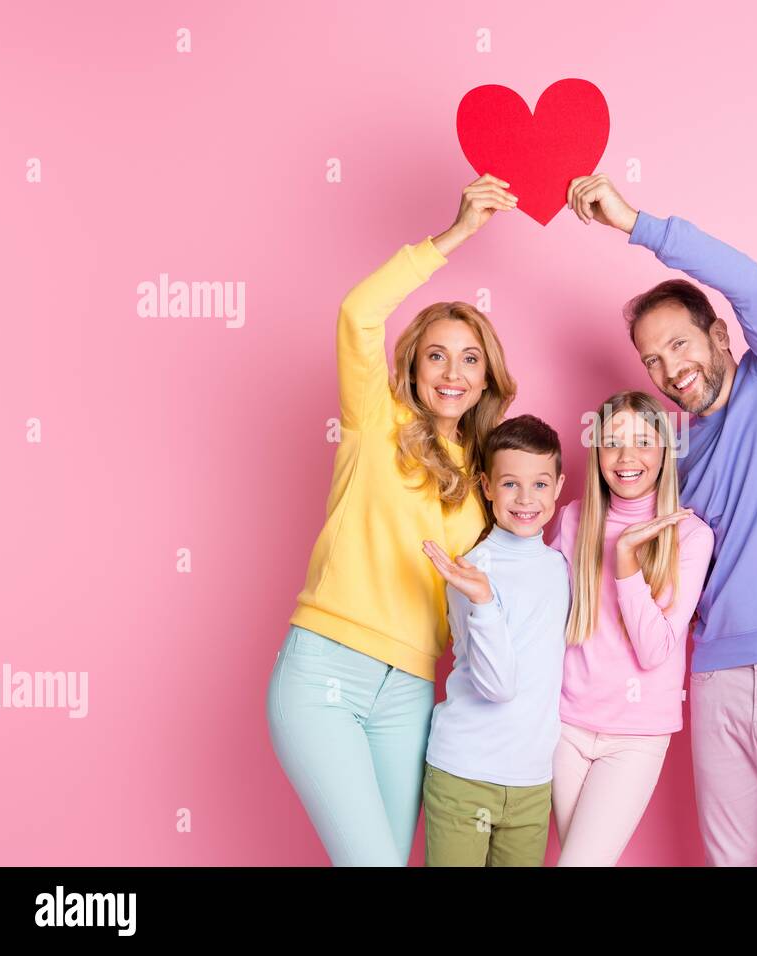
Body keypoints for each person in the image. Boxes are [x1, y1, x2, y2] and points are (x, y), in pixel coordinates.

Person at [565, 173, 757, 866]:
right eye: (652, 360)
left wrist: (636, 224)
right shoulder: (674, 457)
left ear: (720, 336)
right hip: (717, 679)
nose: (669, 368)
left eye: (679, 344)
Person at [265, 174, 519, 866]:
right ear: (412, 363)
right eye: (436, 354)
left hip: (409, 691)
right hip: (324, 671)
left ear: (487, 378)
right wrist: (457, 235)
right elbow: (358, 312)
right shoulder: (375, 419)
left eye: (470, 359)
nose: (452, 372)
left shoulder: (481, 479)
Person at [547, 391, 713, 866]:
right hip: (564, 726)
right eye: (613, 442)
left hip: (635, 737)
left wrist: (626, 565)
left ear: (664, 451)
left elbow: (656, 649)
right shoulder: (573, 518)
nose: (627, 457)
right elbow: (550, 619)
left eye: (643, 441)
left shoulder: (690, 536)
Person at [420, 415, 570, 866]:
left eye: (540, 484)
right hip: (464, 775)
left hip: (531, 782)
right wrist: (484, 601)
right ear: (486, 486)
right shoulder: (470, 572)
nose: (526, 499)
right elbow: (498, 686)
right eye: (510, 484)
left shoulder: (560, 567)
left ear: (559, 486)